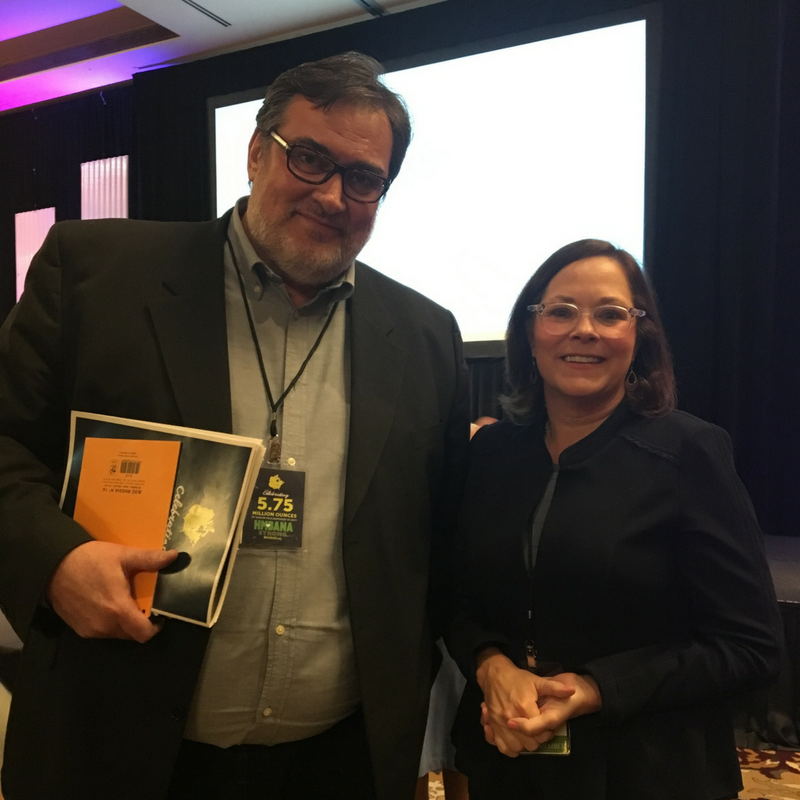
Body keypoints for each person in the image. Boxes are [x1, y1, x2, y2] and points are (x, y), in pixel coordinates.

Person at [0, 52, 469, 800]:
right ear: (256, 151)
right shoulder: (96, 275)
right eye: (309, 158)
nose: (332, 194)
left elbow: (440, 541)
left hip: (336, 762)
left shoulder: (425, 337)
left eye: (364, 178)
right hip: (124, 750)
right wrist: (54, 562)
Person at [447, 239, 782, 800]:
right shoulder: (491, 454)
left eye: (610, 314)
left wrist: (595, 688)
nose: (585, 330)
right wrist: (489, 666)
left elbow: (750, 648)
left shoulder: (689, 453)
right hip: (509, 760)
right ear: (529, 334)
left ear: (638, 338)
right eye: (560, 311)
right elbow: (454, 595)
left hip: (649, 770)